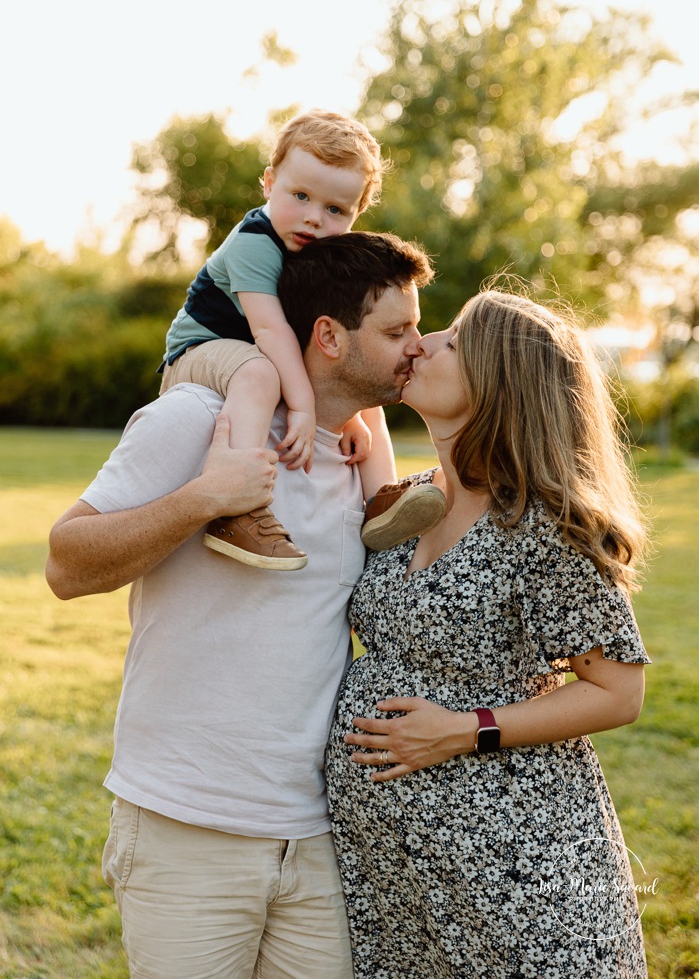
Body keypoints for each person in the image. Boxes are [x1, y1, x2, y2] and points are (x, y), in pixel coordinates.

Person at [45, 231, 434, 979]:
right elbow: (66, 564)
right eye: (395, 331)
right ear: (327, 336)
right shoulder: (197, 418)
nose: (414, 346)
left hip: (316, 833)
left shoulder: (363, 464)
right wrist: (205, 499)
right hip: (186, 826)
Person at [326, 286, 651, 978]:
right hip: (397, 868)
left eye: (451, 339)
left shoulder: (542, 523)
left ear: (498, 384)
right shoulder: (408, 503)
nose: (422, 341)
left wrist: (464, 728)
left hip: (516, 861)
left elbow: (618, 692)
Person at [159, 109, 444, 569]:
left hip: (254, 349)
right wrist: (305, 409)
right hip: (199, 348)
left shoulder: (313, 253)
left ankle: (380, 500)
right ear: (269, 183)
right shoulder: (255, 241)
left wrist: (347, 414)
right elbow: (271, 331)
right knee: (258, 373)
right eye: (301, 196)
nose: (314, 219)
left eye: (335, 210)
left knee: (366, 392)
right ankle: (240, 510)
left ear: (357, 213)